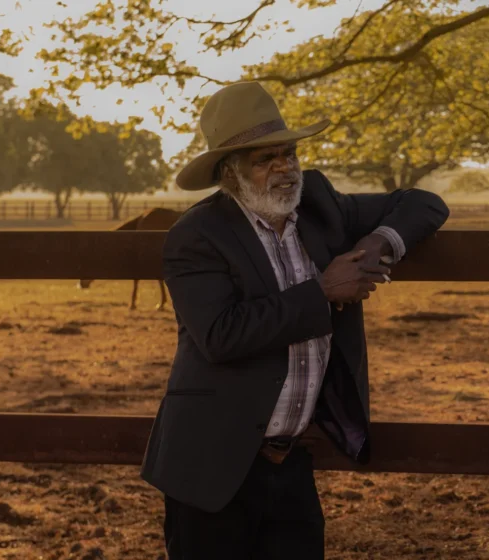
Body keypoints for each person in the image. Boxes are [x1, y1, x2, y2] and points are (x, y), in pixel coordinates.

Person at [139, 81, 449, 559]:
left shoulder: (319, 205)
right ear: (230, 173)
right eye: (265, 160)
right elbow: (221, 335)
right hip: (210, 465)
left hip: (290, 462)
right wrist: (323, 291)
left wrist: (376, 244)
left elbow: (425, 204)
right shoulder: (197, 235)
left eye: (289, 154)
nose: (285, 168)